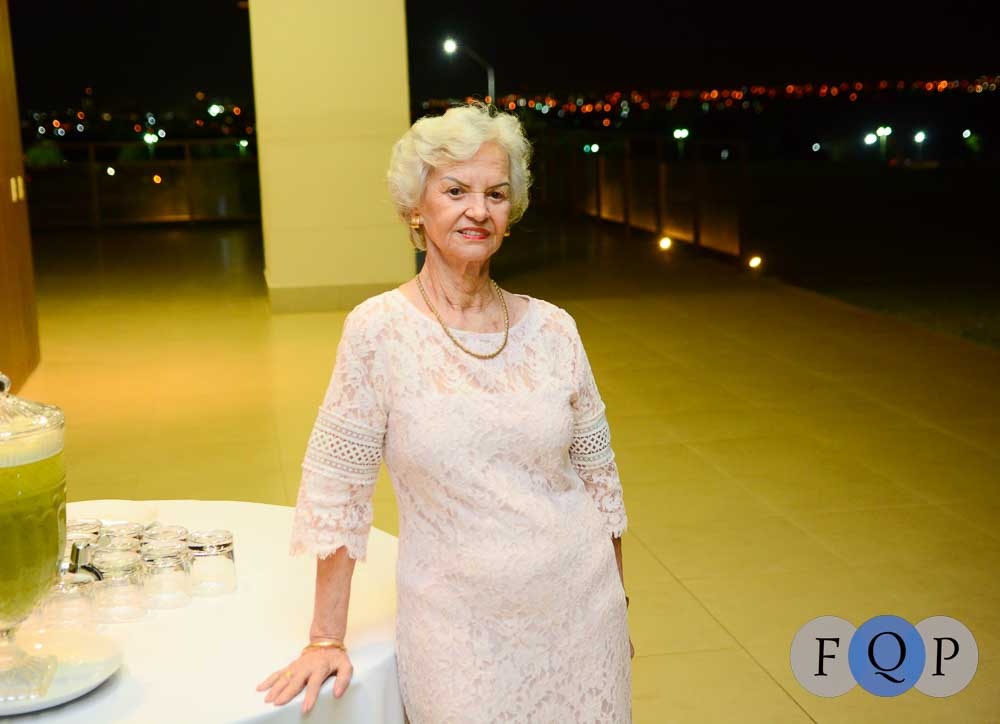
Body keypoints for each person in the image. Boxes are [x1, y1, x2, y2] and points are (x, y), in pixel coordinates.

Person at [257, 102, 633, 722]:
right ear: (416, 207)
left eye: (496, 194)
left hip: (580, 615)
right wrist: (325, 637)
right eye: (456, 191)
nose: (478, 210)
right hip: (458, 632)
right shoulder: (378, 331)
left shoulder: (555, 330)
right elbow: (337, 491)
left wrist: (618, 606)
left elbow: (600, 483)